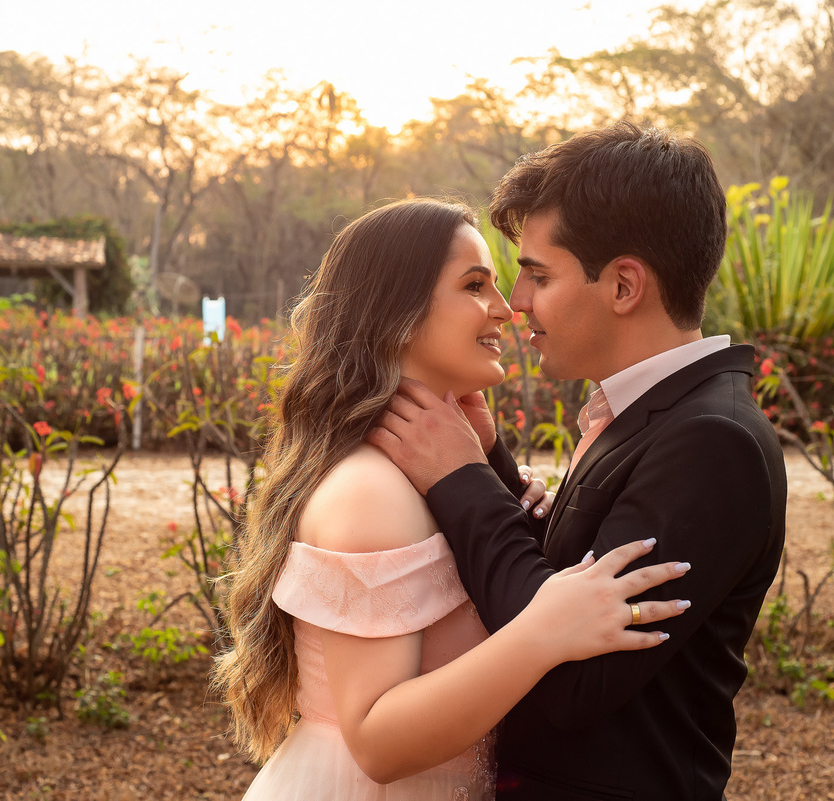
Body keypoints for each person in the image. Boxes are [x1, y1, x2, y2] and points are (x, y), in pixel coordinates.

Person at [211, 198, 693, 801]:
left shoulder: (426, 474)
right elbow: (377, 744)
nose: (506, 308)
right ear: (396, 313)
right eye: (474, 285)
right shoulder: (370, 491)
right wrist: (543, 629)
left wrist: (501, 489)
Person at [369, 123, 788, 800]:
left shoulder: (715, 442)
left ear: (623, 286)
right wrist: (493, 467)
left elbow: (574, 677)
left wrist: (460, 479)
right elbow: (571, 585)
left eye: (538, 275)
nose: (516, 304)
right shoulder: (648, 413)